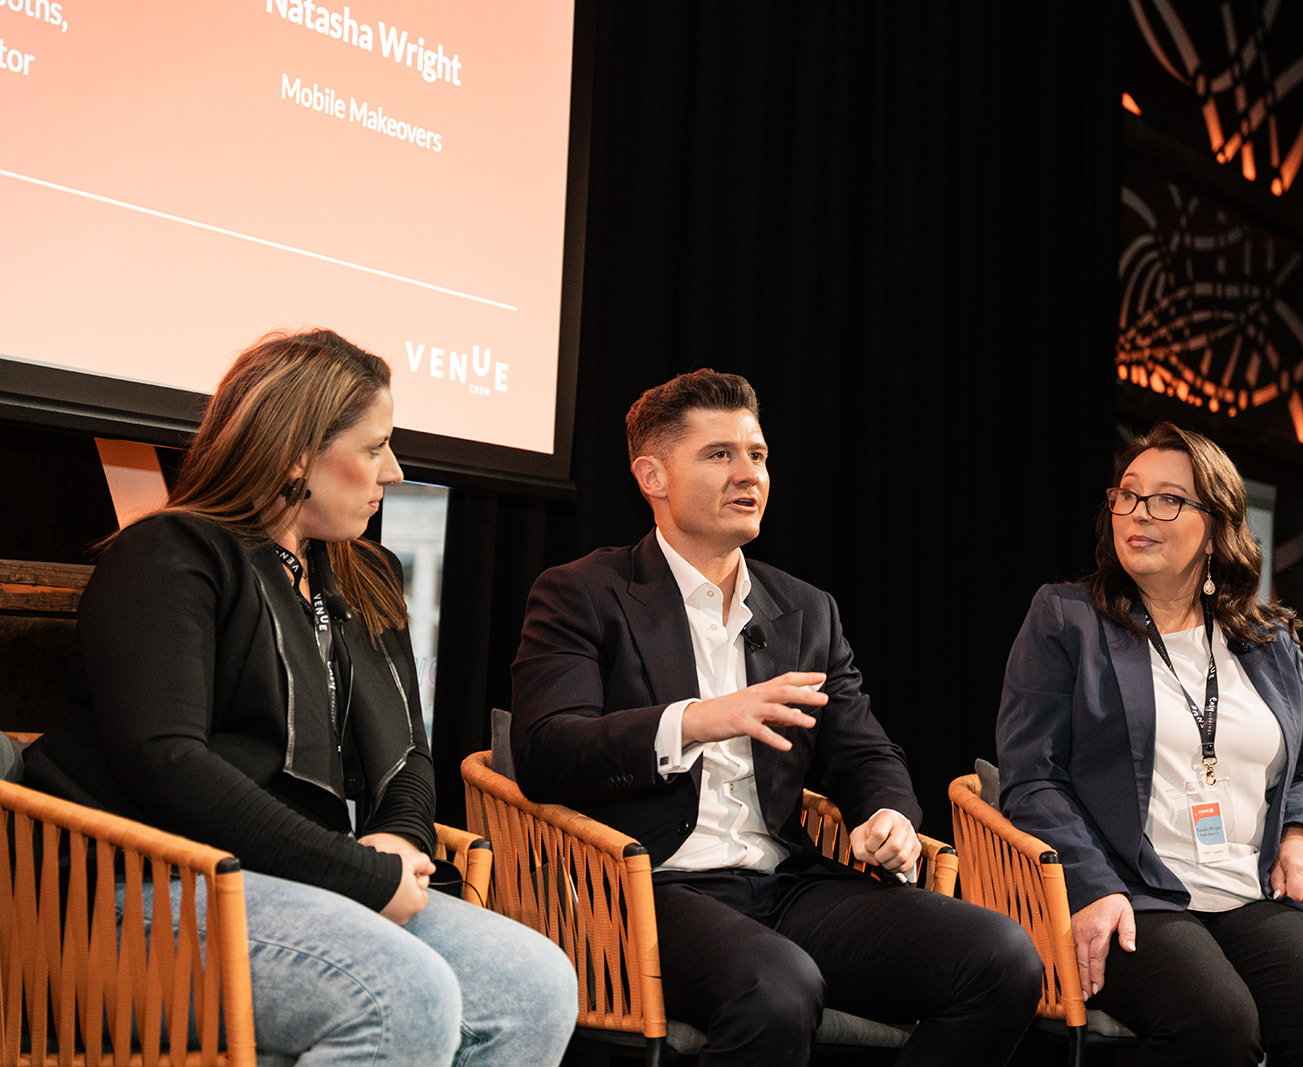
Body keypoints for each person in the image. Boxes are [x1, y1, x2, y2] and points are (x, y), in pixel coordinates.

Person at [25, 329, 577, 1066]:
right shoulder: (170, 553)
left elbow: (410, 753)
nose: (395, 469)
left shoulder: (363, 574)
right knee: (402, 994)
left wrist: (400, 840)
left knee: (536, 983)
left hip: (297, 877)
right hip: (139, 887)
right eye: (376, 445)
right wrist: (356, 872)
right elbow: (167, 761)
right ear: (294, 453)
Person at [511, 369, 1042, 1066]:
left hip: (785, 884)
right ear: (653, 475)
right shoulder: (585, 593)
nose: (749, 474)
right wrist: (699, 719)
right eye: (719, 454)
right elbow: (547, 751)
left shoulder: (804, 610)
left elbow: (864, 751)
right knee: (777, 986)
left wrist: (887, 815)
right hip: (649, 885)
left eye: (757, 454)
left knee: (1002, 958)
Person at [994, 422, 1303, 1066]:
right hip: (1132, 891)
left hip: (1249, 893)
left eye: (1167, 499)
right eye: (1128, 495)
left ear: (1216, 525)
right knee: (1217, 1027)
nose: (1138, 514)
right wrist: (1091, 885)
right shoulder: (1069, 619)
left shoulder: (1267, 641)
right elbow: (1032, 778)